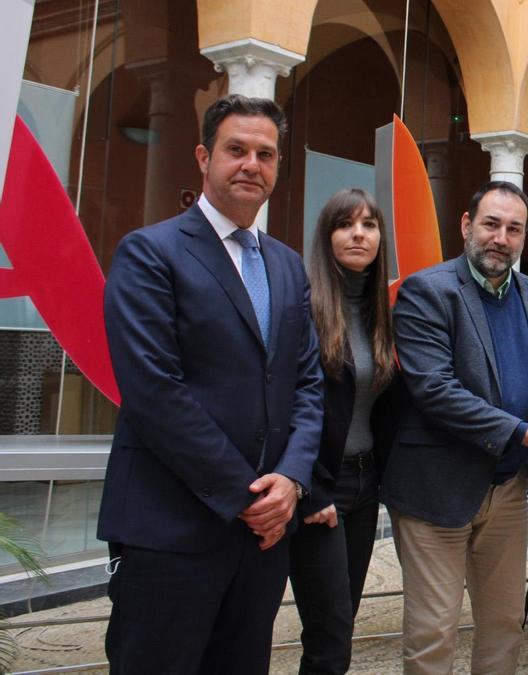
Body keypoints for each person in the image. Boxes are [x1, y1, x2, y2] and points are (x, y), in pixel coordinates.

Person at [98, 94, 323, 674]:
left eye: (266, 154)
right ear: (204, 157)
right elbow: (154, 391)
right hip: (172, 528)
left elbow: (306, 382)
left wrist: (293, 481)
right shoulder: (150, 252)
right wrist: (247, 498)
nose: (252, 164)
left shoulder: (287, 265)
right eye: (236, 150)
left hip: (264, 540)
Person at [382, 181, 528, 675]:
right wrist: (522, 432)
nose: (501, 238)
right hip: (436, 488)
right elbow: (435, 390)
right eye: (491, 224)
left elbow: (527, 388)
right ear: (467, 226)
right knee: (433, 634)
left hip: (508, 490)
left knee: (504, 624)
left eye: (514, 229)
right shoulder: (428, 291)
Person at [289, 188, 402, 674]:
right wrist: (310, 488)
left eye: (369, 224)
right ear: (326, 236)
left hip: (364, 484)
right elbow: (291, 406)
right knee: (330, 634)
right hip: (318, 485)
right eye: (345, 224)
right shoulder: (305, 307)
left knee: (341, 623)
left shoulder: (383, 313)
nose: (359, 234)